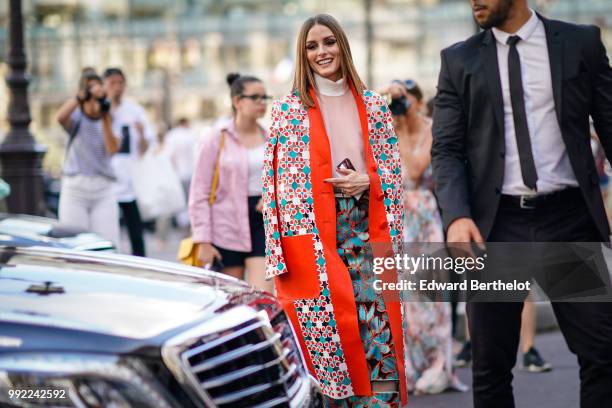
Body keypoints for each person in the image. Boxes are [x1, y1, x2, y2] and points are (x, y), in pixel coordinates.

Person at [431, 1, 612, 407]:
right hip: (495, 228)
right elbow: (445, 149)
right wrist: (457, 215)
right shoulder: (458, 59)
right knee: (490, 367)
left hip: (568, 219)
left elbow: (609, 120)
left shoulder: (580, 43)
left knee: (601, 354)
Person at [263, 14, 407, 407]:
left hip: (367, 224)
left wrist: (369, 182)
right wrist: (278, 257)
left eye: (328, 42)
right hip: (311, 236)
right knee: (326, 337)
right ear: (302, 55)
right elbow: (272, 186)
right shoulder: (287, 111)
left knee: (378, 331)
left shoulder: (375, 107)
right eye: (312, 46)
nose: (321, 52)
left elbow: (394, 175)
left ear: (342, 45)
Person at [383, 79, 467, 394]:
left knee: (432, 295)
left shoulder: (433, 128)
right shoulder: (386, 129)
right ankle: (410, 363)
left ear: (417, 100)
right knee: (404, 297)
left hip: (426, 216)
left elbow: (417, 170)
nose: (399, 107)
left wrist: (402, 128)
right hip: (397, 218)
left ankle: (438, 364)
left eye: (403, 100)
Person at [189, 73, 272, 293]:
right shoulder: (216, 138)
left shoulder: (270, 137)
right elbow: (199, 193)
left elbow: (284, 178)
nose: (262, 103)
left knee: (260, 297)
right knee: (230, 301)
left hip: (262, 221)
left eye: (265, 97)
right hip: (225, 225)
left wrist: (272, 196)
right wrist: (203, 241)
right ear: (237, 101)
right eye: (255, 97)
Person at [56, 68, 120, 246]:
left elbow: (112, 149)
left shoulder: (109, 118)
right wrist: (82, 97)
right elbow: (60, 117)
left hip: (103, 188)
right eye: (90, 93)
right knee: (74, 244)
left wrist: (104, 113)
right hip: (75, 188)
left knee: (108, 244)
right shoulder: (76, 118)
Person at [103, 67, 156, 257]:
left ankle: (140, 261)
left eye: (120, 83)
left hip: (129, 180)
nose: (117, 87)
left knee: (135, 229)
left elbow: (145, 148)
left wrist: (141, 133)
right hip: (106, 180)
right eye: (112, 83)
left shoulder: (134, 111)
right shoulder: (99, 110)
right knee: (107, 229)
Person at [163, 118, 197, 229]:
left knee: (179, 200)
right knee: (189, 200)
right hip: (190, 173)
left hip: (177, 173)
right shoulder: (190, 135)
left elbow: (169, 156)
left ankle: (181, 224)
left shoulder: (172, 136)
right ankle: (187, 225)